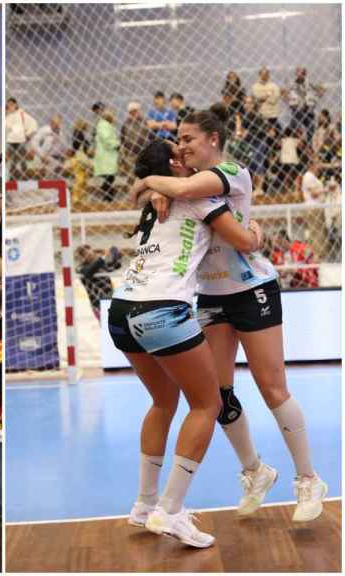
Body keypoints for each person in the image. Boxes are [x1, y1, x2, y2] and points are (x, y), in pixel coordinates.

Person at [132, 104, 327, 523]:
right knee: (217, 396)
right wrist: (157, 189)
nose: (182, 146)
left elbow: (185, 188)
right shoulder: (176, 187)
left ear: (213, 139)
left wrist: (151, 181)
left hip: (252, 289)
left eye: (188, 138)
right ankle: (254, 471)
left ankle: (308, 479)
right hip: (210, 296)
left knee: (272, 388)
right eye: (178, 140)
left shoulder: (232, 172)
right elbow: (169, 191)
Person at [114, 138, 264, 547]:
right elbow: (243, 241)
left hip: (121, 310)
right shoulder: (198, 198)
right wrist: (256, 232)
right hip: (162, 308)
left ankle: (144, 504)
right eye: (179, 154)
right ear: (174, 165)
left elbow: (142, 188)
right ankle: (170, 510)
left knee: (163, 402)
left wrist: (151, 185)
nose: (186, 156)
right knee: (207, 404)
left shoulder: (152, 203)